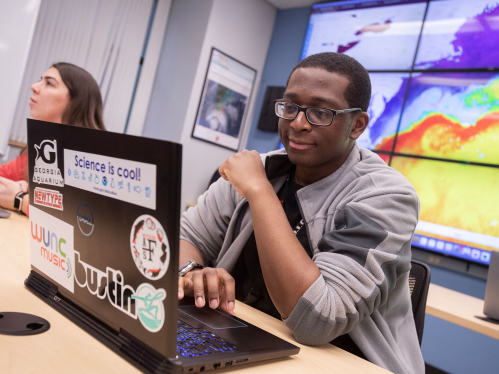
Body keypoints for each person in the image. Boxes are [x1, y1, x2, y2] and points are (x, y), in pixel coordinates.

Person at [178, 52, 424, 374]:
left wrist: (260, 192)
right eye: (290, 106)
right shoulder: (260, 168)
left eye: (320, 112)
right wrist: (191, 270)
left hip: (340, 362)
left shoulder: (387, 196)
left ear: (357, 125)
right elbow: (183, 236)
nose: (297, 123)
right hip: (241, 336)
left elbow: (318, 320)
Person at [0, 62, 106, 214]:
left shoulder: (94, 161)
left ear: (76, 101)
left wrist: (21, 200)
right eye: (40, 80)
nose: (34, 86)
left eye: (49, 83)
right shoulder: (40, 151)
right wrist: (16, 188)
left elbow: (83, 218)